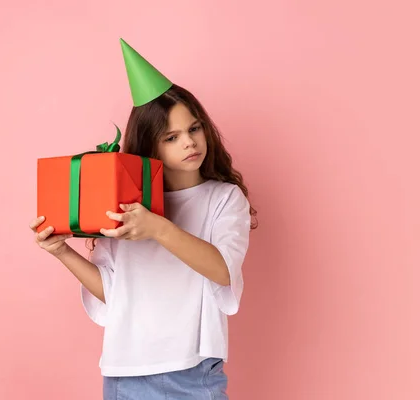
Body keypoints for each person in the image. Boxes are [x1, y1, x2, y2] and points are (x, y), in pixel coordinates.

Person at [29, 38, 257, 399]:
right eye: (172, 137)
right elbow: (113, 292)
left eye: (194, 129)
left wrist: (159, 228)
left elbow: (222, 270)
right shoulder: (125, 204)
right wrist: (62, 252)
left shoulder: (223, 199)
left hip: (192, 372)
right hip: (125, 373)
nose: (189, 143)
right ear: (151, 145)